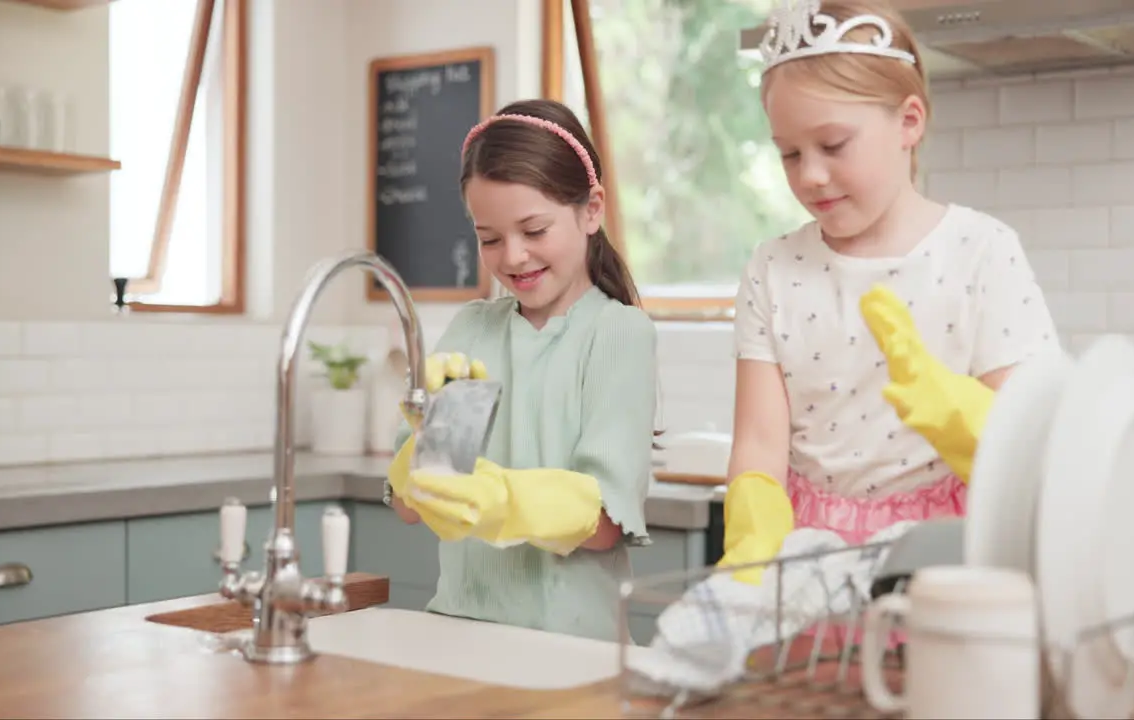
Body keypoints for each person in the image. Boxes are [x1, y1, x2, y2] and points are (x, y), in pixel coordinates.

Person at [718, 0, 1061, 583]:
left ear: (909, 121)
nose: (810, 176)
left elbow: (1032, 437)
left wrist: (960, 413)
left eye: (833, 145)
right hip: (808, 560)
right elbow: (757, 442)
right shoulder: (772, 269)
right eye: (790, 153)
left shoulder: (981, 252)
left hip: (946, 556)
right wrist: (754, 543)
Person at [382, 99, 659, 643]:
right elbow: (415, 508)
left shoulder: (618, 334)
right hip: (460, 631)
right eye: (489, 238)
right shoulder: (472, 331)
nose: (513, 257)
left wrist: (503, 500)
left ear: (591, 209)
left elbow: (604, 524)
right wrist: (426, 451)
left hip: (575, 647)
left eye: (534, 230)